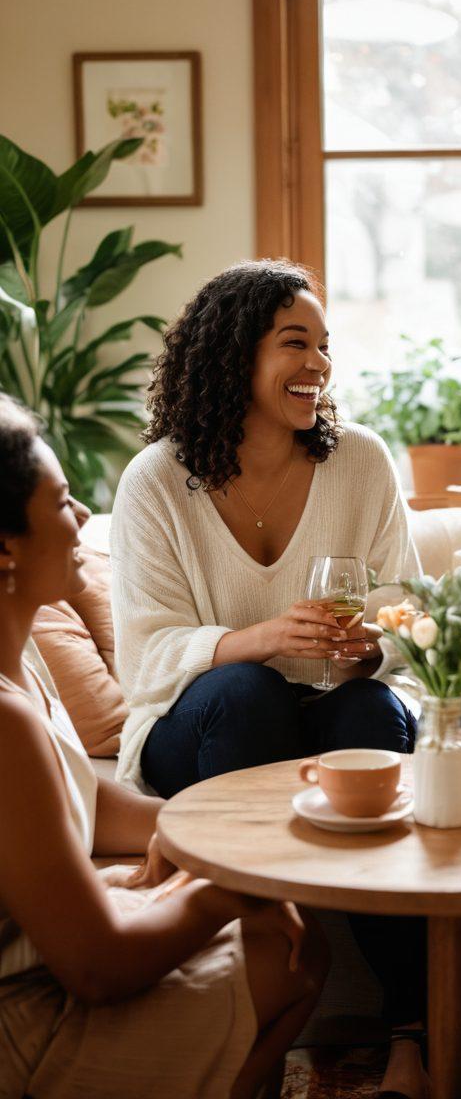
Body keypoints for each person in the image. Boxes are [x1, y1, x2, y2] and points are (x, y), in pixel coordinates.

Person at [110, 258, 430, 1098]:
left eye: (325, 346)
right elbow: (143, 653)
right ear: (232, 355)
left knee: (369, 713)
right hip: (204, 725)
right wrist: (255, 639)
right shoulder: (157, 481)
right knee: (248, 695)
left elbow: (409, 615)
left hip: (329, 714)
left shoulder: (360, 463)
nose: (319, 365)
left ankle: (412, 1039)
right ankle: (252, 1011)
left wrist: (370, 650)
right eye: (296, 343)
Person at [0, 394, 328, 1099]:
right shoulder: (4, 721)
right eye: (61, 502)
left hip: (41, 965)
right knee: (285, 954)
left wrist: (254, 834)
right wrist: (227, 892)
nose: (85, 518)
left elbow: (90, 803)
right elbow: (96, 968)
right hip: (22, 1018)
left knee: (294, 945)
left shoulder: (22, 663)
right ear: (5, 549)